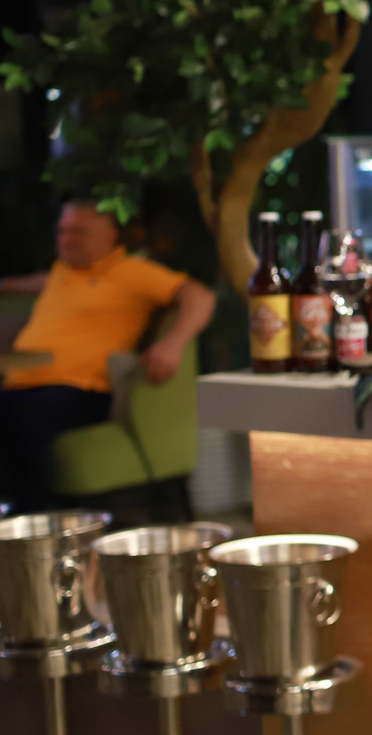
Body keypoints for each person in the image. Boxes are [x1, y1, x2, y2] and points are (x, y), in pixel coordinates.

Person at [0, 200, 214, 512]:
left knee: (21, 414)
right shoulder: (61, 273)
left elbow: (200, 295)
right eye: (62, 231)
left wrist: (173, 343)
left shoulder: (131, 271)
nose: (67, 239)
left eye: (78, 232)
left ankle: (34, 514)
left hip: (81, 390)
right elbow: (31, 283)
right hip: (19, 384)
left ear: (110, 235)